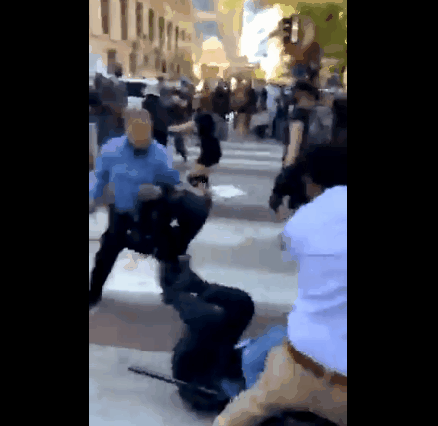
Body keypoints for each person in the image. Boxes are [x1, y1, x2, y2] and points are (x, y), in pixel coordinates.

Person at [213, 143, 347, 426]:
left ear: (311, 181)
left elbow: (292, 250)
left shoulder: (306, 219)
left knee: (253, 370)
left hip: (303, 366)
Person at [89, 109, 211, 310]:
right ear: (127, 129)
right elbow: (99, 177)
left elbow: (172, 180)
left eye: (145, 133)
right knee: (107, 251)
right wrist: (93, 197)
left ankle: (176, 291)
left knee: (166, 251)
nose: (142, 140)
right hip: (120, 212)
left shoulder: (159, 153)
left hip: (150, 212)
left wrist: (159, 190)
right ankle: (94, 293)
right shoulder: (111, 149)